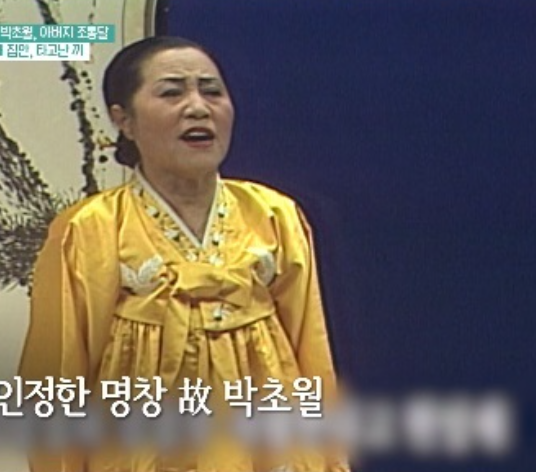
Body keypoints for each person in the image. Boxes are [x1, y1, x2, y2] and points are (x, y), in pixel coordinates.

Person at [18, 35, 350, 472]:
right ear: (124, 120)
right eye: (172, 93)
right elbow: (58, 377)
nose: (198, 107)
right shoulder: (90, 228)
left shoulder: (274, 215)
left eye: (212, 91)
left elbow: (312, 351)